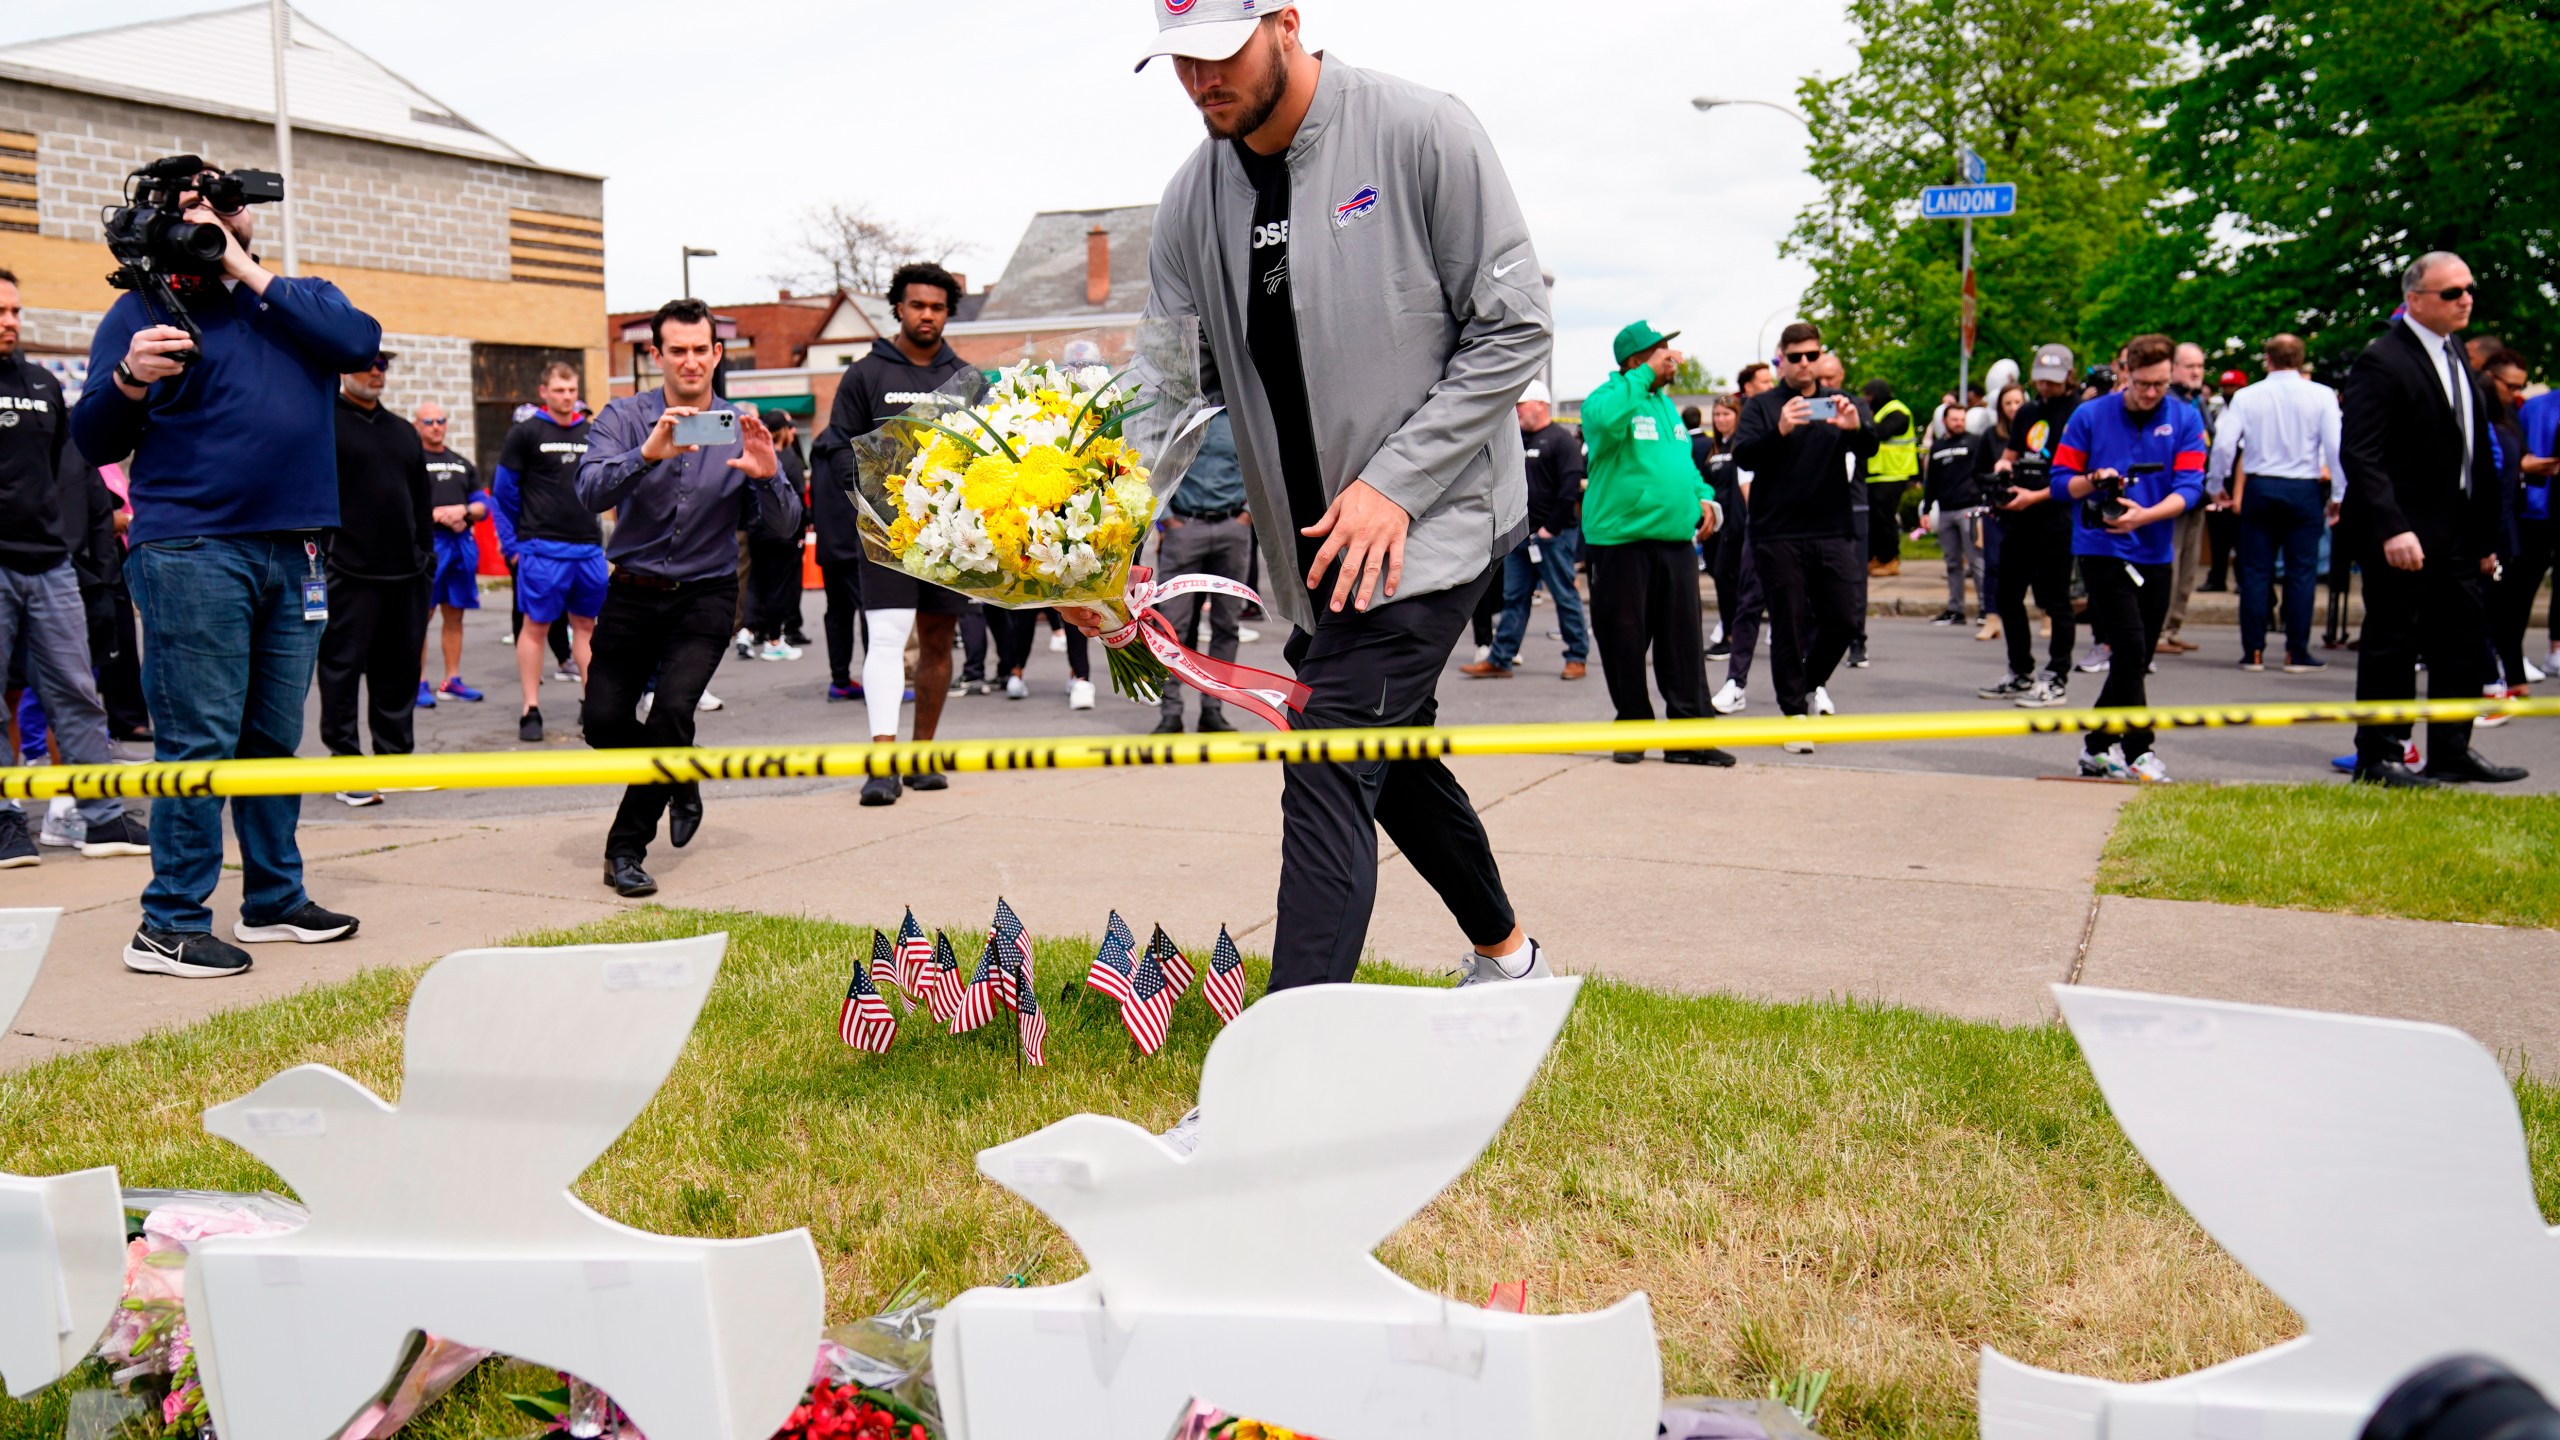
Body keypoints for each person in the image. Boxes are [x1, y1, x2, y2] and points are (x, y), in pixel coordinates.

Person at [1114, 0, 1553, 1006]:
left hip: (1432, 521)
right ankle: (1509, 959)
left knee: (1326, 753)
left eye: (1217, 55)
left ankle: (1285, 1064)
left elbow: (1514, 325)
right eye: (1177, 64)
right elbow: (1163, 386)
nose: (1200, 82)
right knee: (1383, 753)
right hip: (1315, 553)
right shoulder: (1192, 197)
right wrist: (1099, 547)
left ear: (1285, 23)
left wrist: (1394, 486)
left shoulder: (1421, 129)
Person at [72, 166, 378, 976]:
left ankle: (274, 899)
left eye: (226, 206)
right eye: (192, 214)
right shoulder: (138, 312)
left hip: (300, 547)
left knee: (273, 738)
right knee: (199, 741)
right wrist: (130, 377)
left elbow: (359, 344)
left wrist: (240, 267)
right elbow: (94, 441)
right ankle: (168, 923)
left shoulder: (298, 298)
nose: (213, 220)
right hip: (193, 550)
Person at [575, 299, 798, 896]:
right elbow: (589, 492)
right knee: (600, 723)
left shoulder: (741, 425)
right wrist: (647, 454)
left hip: (705, 596)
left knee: (673, 710)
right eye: (678, 350)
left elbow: (782, 528)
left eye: (702, 349)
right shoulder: (624, 417)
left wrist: (769, 475)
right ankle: (681, 771)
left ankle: (624, 850)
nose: (691, 361)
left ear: (717, 353)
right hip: (630, 591)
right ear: (657, 356)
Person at [2334, 254, 2524, 786]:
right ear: (2415, 299)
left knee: (2462, 643)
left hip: (2459, 533)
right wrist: (2393, 527)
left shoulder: (2455, 350)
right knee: (2392, 643)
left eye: (2469, 288)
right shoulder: (2382, 360)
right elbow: (2361, 454)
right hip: (2404, 534)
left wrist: (2487, 537)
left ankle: (2452, 748)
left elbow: (2473, 454)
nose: (2465, 298)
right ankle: (2381, 755)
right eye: (2451, 292)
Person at [0, 266, 151, 870]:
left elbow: (75, 471)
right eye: (0, 312)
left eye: (14, 310)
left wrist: (85, 552)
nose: (10, 321)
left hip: (51, 564)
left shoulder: (40, 384)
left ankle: (100, 815)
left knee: (78, 692)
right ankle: (7, 822)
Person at [811, 262, 978, 807]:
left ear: (947, 312)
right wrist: (864, 498)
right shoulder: (865, 375)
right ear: (898, 308)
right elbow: (837, 444)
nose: (926, 314)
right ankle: (883, 765)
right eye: (916, 305)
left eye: (936, 306)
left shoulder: (968, 377)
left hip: (952, 536)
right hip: (886, 536)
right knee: (885, 639)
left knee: (936, 641)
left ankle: (921, 758)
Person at [1573, 323, 1732, 766]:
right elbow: (1603, 424)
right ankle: (1633, 727)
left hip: (1675, 543)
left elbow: (1682, 465)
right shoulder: (1607, 398)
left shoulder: (1667, 408)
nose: (1672, 357)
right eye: (1662, 350)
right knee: (1623, 641)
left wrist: (1704, 498)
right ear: (1636, 359)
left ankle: (1690, 740)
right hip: (1621, 543)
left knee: (1683, 644)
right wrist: (1641, 377)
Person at [2049, 334, 2205, 783]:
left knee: (2135, 658)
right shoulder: (2090, 415)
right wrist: (2094, 479)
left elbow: (2191, 488)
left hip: (2154, 547)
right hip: (2101, 546)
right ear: (2125, 374)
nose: (2151, 393)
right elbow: (2060, 483)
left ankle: (2096, 747)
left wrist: (2147, 516)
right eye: (2142, 384)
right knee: (2130, 646)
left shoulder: (2186, 417)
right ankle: (2139, 751)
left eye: (2159, 383)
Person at [1732, 322, 1875, 752]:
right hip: (1778, 533)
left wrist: (1854, 428)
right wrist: (1780, 430)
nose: (1805, 365)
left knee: (1843, 620)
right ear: (1782, 359)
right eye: (1795, 358)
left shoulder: (1840, 402)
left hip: (1832, 527)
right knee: (1789, 624)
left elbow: (1870, 448)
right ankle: (1793, 713)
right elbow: (1743, 454)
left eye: (1812, 355)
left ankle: (1808, 684)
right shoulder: (1762, 405)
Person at [316, 352, 433, 807]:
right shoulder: (325, 424)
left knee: (399, 671)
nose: (376, 372)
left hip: (406, 573)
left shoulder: (402, 431)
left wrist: (427, 560)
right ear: (344, 370)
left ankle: (395, 759)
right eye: (368, 364)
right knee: (341, 670)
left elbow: (420, 502)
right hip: (348, 571)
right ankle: (348, 766)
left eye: (382, 364)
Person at [2209, 334, 2344, 674]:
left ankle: (2253, 650)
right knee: (2302, 572)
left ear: (2266, 359)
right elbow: (2335, 446)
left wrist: (2215, 485)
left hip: (2261, 484)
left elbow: (2225, 445)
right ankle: (2296, 651)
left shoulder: (2247, 396)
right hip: (2303, 488)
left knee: (2255, 571)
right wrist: (2340, 494)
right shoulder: (2322, 395)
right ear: (2301, 360)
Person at [492, 362, 603, 743]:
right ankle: (530, 709)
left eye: (571, 390)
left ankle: (592, 703)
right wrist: (515, 544)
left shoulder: (591, 433)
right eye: (558, 390)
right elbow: (504, 494)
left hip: (587, 547)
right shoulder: (526, 433)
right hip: (542, 548)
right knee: (535, 627)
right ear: (544, 392)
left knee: (587, 626)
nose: (566, 397)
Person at [1461, 379, 1590, 683]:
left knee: (1563, 595)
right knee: (1514, 597)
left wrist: (1551, 528)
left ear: (1540, 405)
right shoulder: (1519, 440)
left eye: (1522, 405)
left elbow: (1570, 486)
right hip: (1521, 536)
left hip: (1553, 536)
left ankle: (1576, 658)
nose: (1517, 411)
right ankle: (1500, 658)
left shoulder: (1561, 440)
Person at [1978, 344, 2083, 706]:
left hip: (2055, 517)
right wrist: (2004, 469)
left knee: (2055, 601)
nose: (2045, 387)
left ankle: (2055, 677)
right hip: (2018, 517)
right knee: (2007, 596)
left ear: (2069, 376)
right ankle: (2020, 671)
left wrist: (2034, 496)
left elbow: (2079, 475)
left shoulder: (2079, 411)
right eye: (2040, 380)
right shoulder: (2027, 411)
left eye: (2053, 381)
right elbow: (2011, 453)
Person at [1153, 410, 1256, 732]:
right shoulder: (1179, 416)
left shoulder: (1241, 415)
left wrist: (1247, 516)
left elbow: (1260, 466)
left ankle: (1213, 708)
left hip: (1232, 527)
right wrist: (1167, 518)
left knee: (1226, 625)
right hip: (1184, 528)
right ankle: (1170, 712)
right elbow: (1154, 467)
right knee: (1172, 627)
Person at [2480, 350, 2547, 702]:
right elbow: (2487, 483)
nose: (2517, 395)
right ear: (2490, 378)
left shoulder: (2507, 418)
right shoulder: (2481, 421)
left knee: (2505, 613)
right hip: (2493, 530)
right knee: (2488, 614)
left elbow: (2508, 472)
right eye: (2511, 386)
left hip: (2507, 528)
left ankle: (2511, 681)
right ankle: (2493, 685)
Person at [416, 402, 488, 706]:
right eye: (429, 421)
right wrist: (434, 515)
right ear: (416, 425)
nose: (436, 426)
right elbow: (400, 502)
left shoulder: (461, 463)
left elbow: (483, 506)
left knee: (454, 615)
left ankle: (452, 680)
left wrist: (464, 512)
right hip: (427, 546)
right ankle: (416, 683)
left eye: (441, 420)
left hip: (459, 545)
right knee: (421, 616)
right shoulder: (412, 462)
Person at [2157, 341, 2220, 653]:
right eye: (2190, 366)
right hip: (2174, 494)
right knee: (2170, 561)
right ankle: (2157, 628)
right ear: (2173, 369)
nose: (2196, 372)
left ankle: (2172, 627)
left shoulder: (2198, 401)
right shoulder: (2166, 403)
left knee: (2189, 566)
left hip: (2198, 493)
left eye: (2199, 366)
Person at [1700, 395, 1761, 712]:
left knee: (1737, 582)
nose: (1722, 419)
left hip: (1741, 527)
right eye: (1717, 414)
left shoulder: (1741, 445)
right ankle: (1729, 629)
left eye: (1727, 413)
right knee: (1721, 578)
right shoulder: (1714, 449)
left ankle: (1735, 635)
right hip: (1717, 527)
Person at [743, 411, 810, 661]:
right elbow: (798, 502)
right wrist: (801, 532)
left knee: (756, 582)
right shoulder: (789, 460)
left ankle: (748, 631)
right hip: (783, 533)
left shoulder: (759, 457)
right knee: (779, 587)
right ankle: (773, 639)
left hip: (757, 530)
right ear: (783, 430)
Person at [1921, 400, 1987, 625]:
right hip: (1946, 511)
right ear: (1944, 421)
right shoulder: (1938, 446)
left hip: (1970, 509)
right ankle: (1955, 609)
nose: (1959, 423)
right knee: (1951, 562)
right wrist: (1927, 508)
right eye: (1954, 419)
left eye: (1962, 419)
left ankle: (1986, 609)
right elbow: (1931, 481)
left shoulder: (1975, 442)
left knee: (1977, 561)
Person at [2515, 368, 2559, 685]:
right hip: (2537, 508)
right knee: (2522, 584)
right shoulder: (2538, 407)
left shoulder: (2537, 406)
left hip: (2540, 505)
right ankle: (2510, 653)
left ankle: (2555, 650)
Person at [1971, 383, 2025, 642]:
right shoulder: (1991, 435)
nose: (2014, 408)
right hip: (1998, 509)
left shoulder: (2037, 434)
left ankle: (2047, 614)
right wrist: (1996, 480)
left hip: (2029, 508)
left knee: (2035, 566)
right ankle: (1992, 617)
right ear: (2000, 407)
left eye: (2018, 402)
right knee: (1994, 563)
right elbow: (1977, 472)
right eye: (2008, 403)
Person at [1862, 378, 1917, 577]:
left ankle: (1890, 559)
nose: (1866, 399)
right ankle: (1876, 556)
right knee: (1874, 519)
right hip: (1877, 475)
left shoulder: (1897, 411)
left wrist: (1865, 420)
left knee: (1884, 519)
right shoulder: (1880, 412)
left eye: (1868, 395)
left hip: (1894, 473)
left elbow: (1881, 433)